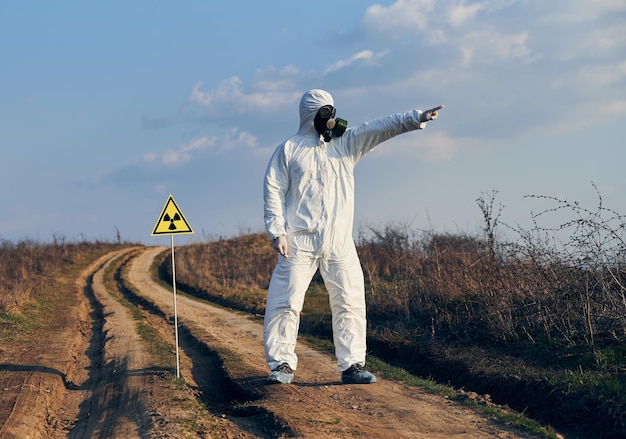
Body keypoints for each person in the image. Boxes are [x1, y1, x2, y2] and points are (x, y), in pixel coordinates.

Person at [263, 89, 443, 384]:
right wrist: (277, 232)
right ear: (311, 114)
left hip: (339, 242)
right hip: (298, 243)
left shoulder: (346, 143)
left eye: (332, 110)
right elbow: (272, 189)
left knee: (350, 301)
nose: (331, 117)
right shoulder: (288, 150)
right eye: (325, 112)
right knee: (285, 302)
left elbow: (379, 128)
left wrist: (416, 118)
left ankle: (352, 365)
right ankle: (281, 364)